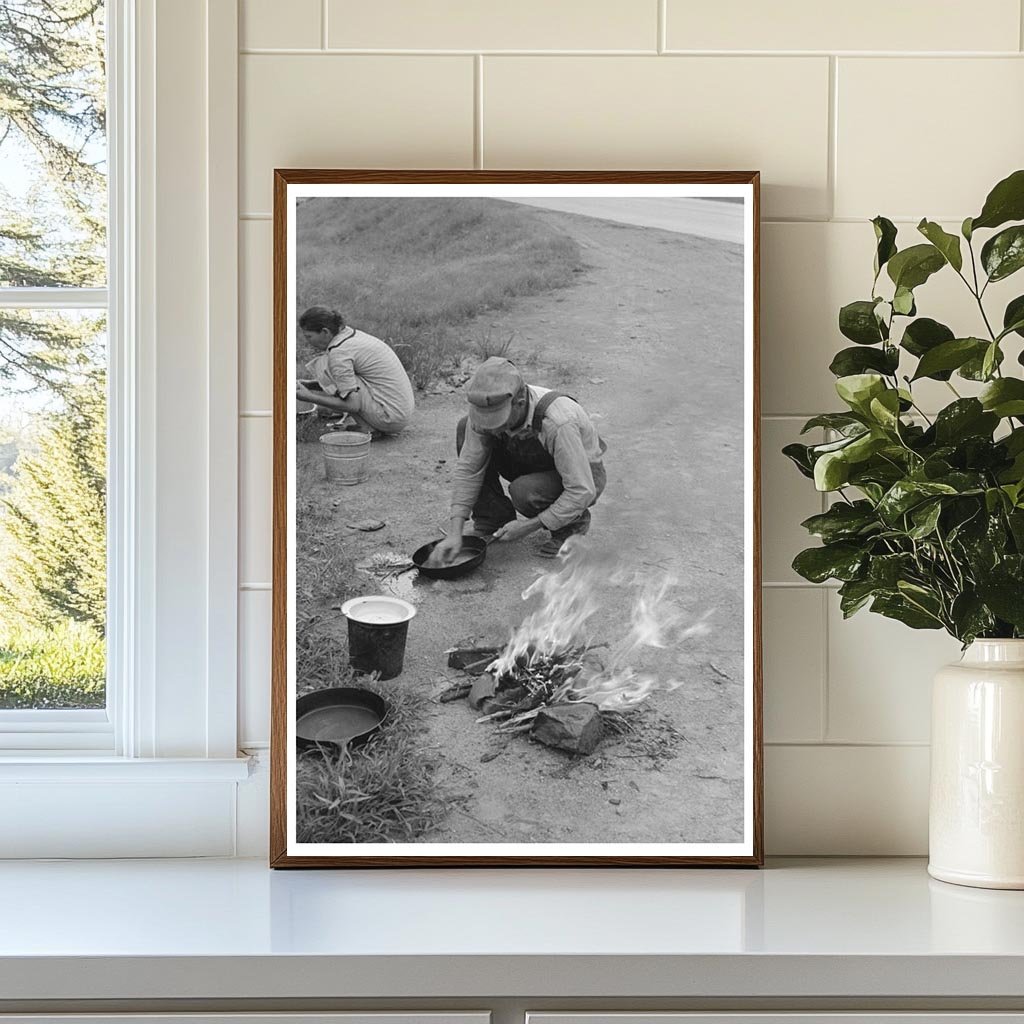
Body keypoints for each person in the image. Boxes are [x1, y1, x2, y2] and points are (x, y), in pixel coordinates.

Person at [432, 357, 607, 562]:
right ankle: (492, 520)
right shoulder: (486, 407)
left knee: (525, 491)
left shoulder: (558, 421)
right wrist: (455, 532)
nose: (491, 427)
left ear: (520, 402)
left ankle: (571, 525)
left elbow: (581, 490)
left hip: (583, 476)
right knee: (465, 427)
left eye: (498, 420)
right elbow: (470, 469)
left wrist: (527, 527)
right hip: (532, 460)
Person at [296, 306, 415, 436]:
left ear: (325, 332)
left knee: (325, 366)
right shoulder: (351, 335)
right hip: (400, 411)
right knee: (338, 375)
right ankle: (369, 425)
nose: (307, 341)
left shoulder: (339, 353)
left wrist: (309, 397)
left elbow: (352, 405)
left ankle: (367, 428)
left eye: (309, 336)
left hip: (390, 418)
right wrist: (310, 385)